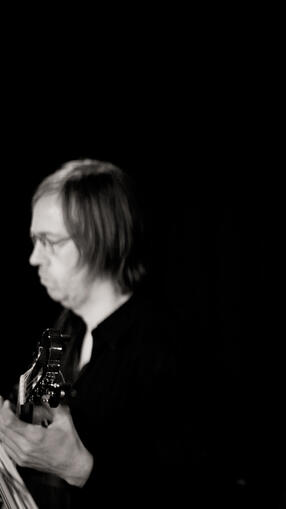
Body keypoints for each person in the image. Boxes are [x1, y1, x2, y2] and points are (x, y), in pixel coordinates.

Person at [0, 160, 206, 508]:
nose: (35, 257)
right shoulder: (66, 326)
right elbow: (29, 407)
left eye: (49, 241)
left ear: (98, 240)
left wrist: (81, 468)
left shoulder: (165, 348)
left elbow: (192, 490)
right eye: (35, 240)